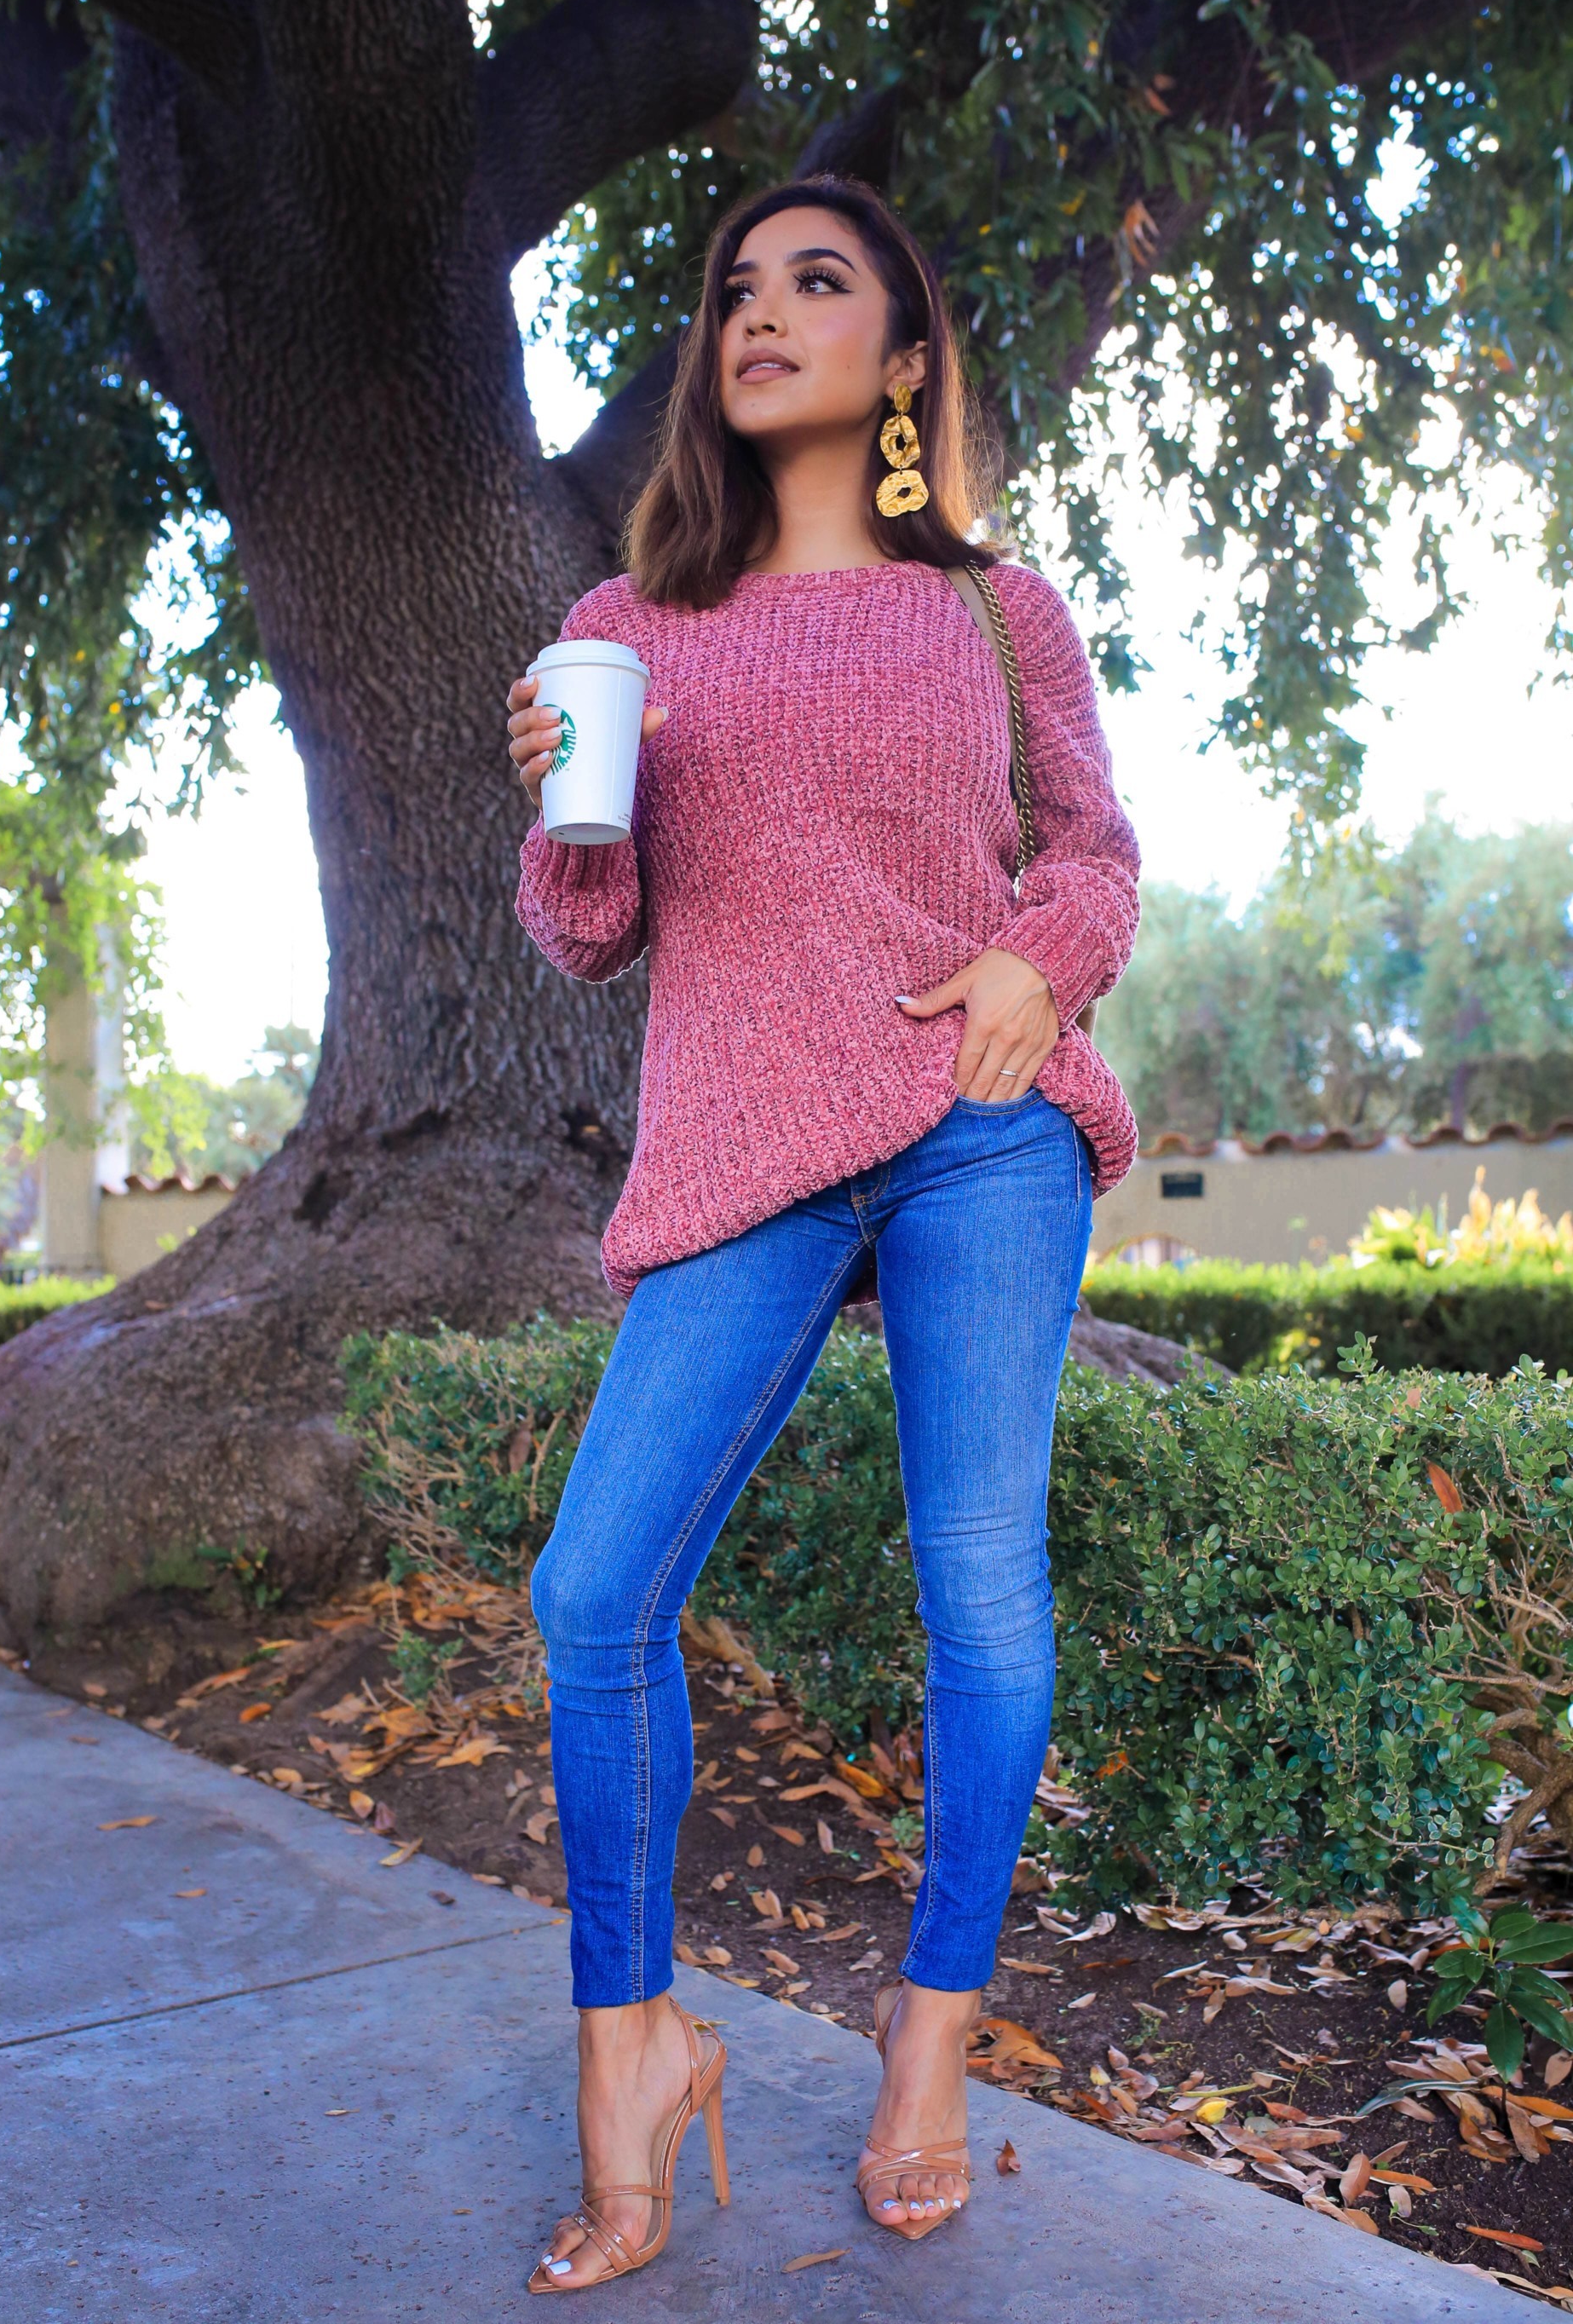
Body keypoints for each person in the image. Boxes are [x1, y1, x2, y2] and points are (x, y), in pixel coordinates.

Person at [505, 174, 1140, 2293]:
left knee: (985, 1594)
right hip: (747, 1139)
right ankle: (634, 2044)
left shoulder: (997, 610)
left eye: (818, 280)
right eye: (734, 291)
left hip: (978, 1127)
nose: (761, 313)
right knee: (594, 1588)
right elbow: (592, 933)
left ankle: (929, 2030)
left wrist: (1042, 962)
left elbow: (1095, 850)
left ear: (904, 354)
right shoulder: (628, 625)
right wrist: (566, 801)